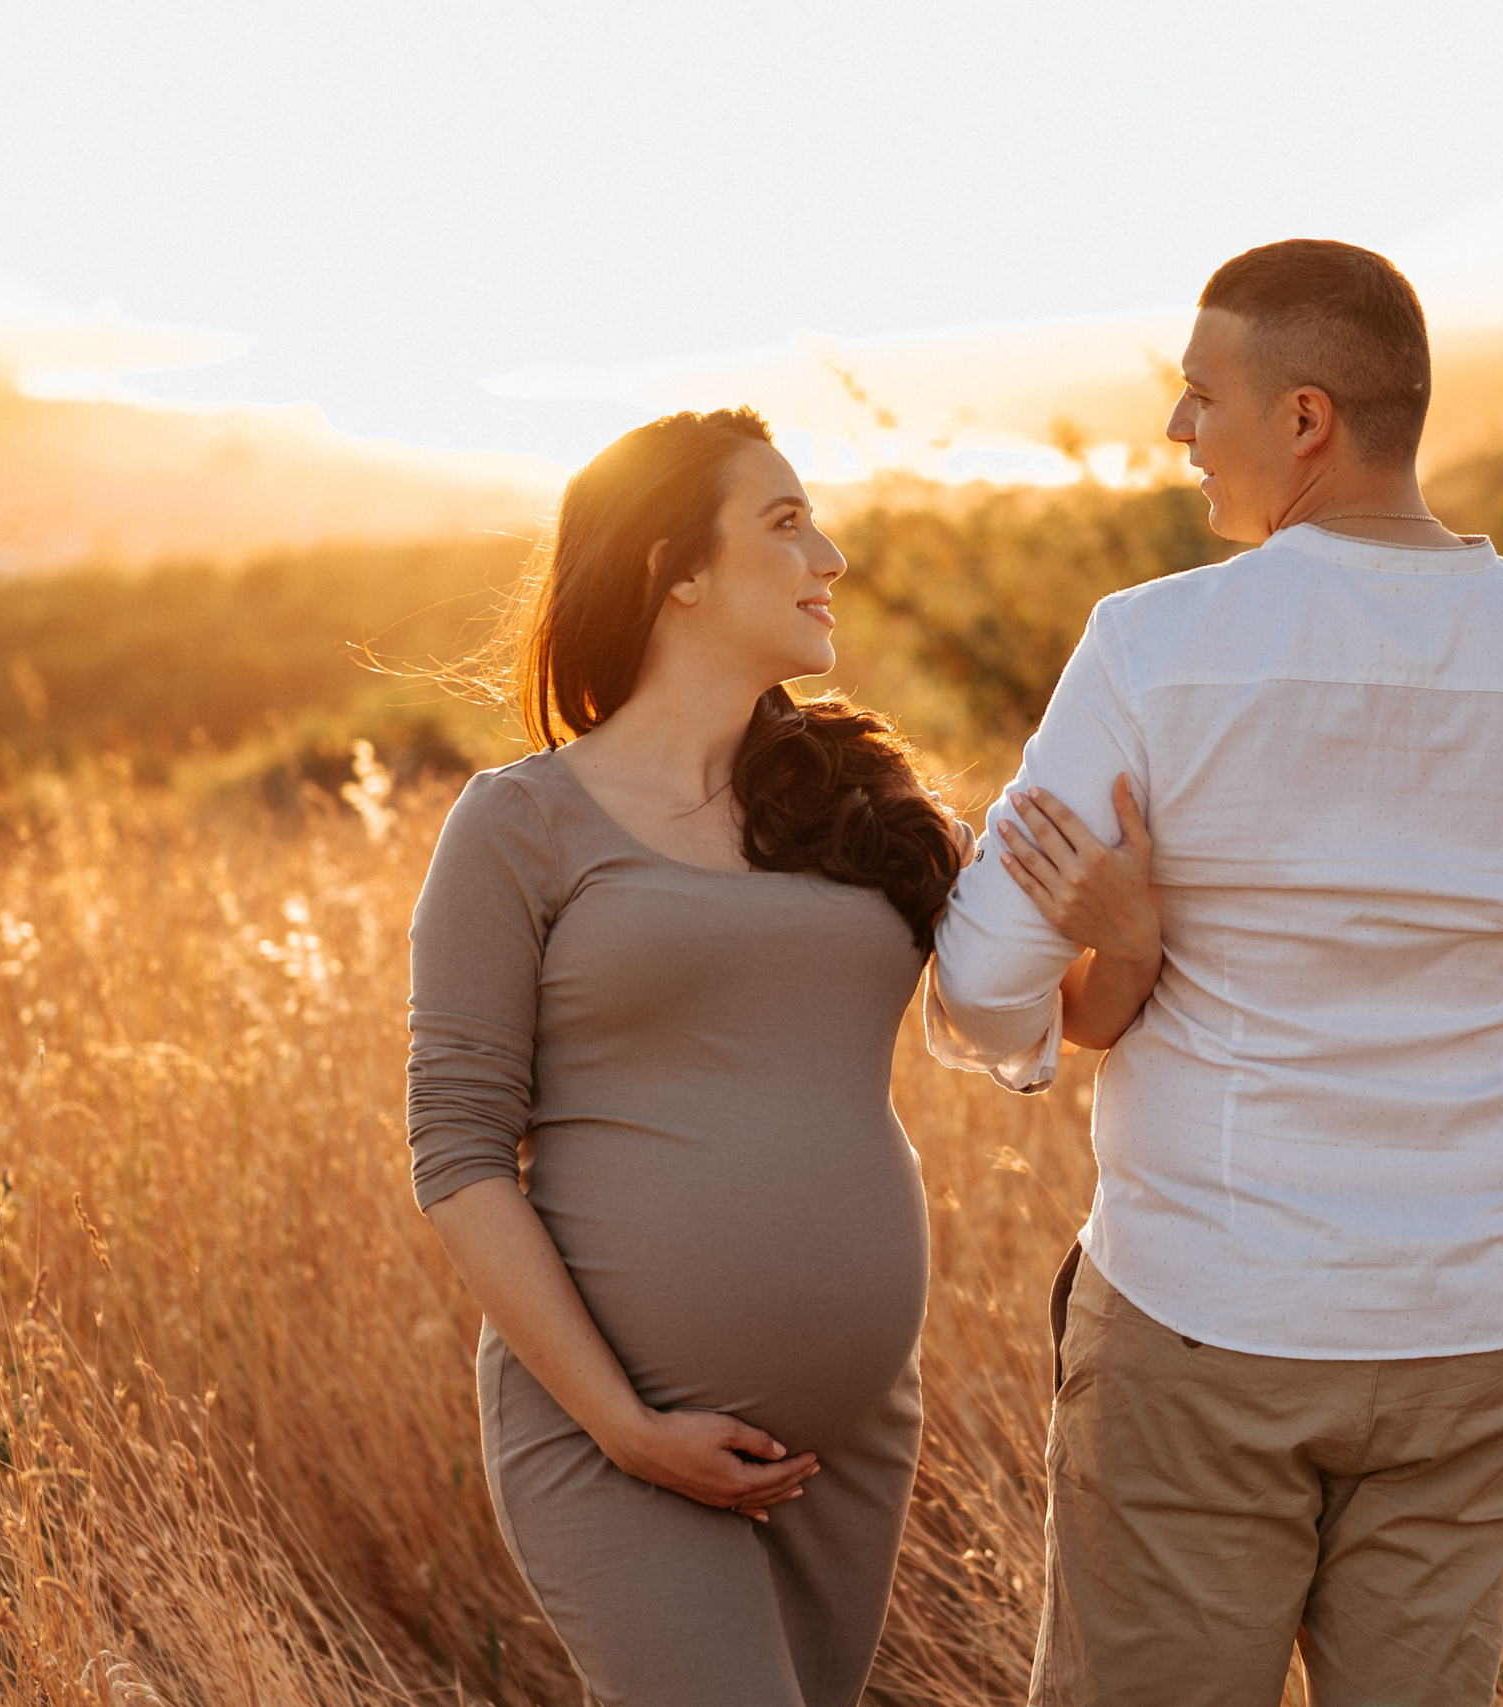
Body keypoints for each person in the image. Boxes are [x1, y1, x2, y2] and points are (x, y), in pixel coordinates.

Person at [927, 240, 1503, 1707]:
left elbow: (986, 971)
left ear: (1306, 418)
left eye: (1200, 396)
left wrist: (1075, 1001)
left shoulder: (1153, 651)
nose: (1180, 432)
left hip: (1202, 1312)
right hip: (1473, 1324)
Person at [404, 408, 1150, 1706]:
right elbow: (459, 1156)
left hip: (848, 1436)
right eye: (785, 521)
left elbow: (1058, 1015)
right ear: (672, 568)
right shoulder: (518, 826)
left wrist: (1129, 931)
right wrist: (625, 1426)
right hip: (615, 1434)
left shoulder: (862, 808)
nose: (831, 555)